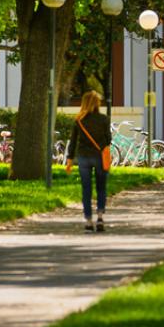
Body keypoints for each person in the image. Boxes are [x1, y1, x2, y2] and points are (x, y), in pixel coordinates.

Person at [65, 90, 113, 233]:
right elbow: (109, 139)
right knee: (101, 187)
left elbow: (73, 141)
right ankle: (99, 218)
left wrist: (69, 159)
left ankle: (88, 220)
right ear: (97, 103)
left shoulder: (79, 120)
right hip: (99, 157)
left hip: (83, 157)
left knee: (86, 189)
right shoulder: (104, 119)